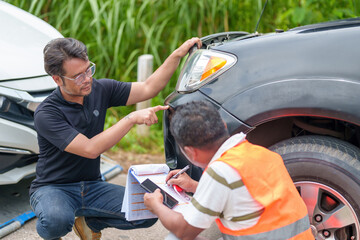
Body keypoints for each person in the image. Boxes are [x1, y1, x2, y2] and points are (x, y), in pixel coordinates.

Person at [29, 37, 202, 240]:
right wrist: (131, 119)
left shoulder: (100, 89)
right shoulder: (47, 113)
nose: (87, 79)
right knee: (56, 220)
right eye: (77, 76)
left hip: (92, 186)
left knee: (145, 211)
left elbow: (149, 87)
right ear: (57, 79)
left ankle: (90, 223)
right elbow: (90, 149)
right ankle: (51, 234)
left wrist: (177, 55)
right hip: (54, 187)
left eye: (88, 69)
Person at [144, 101, 314, 240]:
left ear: (190, 152)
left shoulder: (220, 171)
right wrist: (194, 186)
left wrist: (156, 205)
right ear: (223, 125)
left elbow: (185, 231)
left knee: (174, 239)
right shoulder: (262, 154)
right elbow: (242, 195)